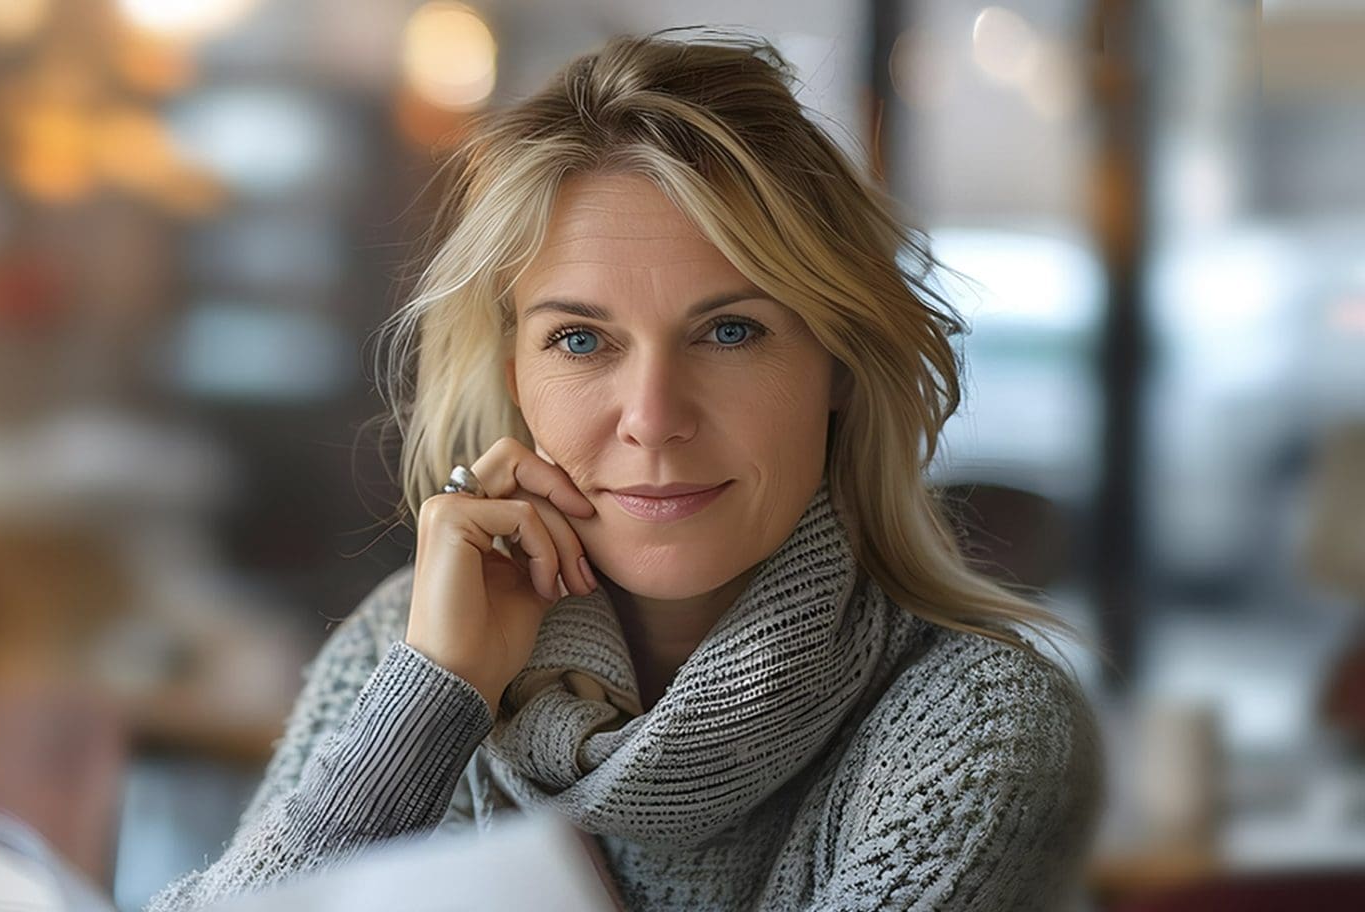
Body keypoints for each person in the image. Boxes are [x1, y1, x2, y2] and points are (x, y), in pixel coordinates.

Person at [146, 31, 1100, 912]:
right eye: (580, 339)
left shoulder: (977, 725)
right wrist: (431, 699)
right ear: (513, 373)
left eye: (730, 331)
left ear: (839, 365)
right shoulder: (404, 651)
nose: (652, 418)